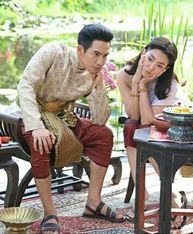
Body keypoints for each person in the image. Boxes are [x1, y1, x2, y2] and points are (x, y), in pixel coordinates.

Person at [6, 23, 125, 233]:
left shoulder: (93, 74)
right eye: (96, 54)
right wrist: (36, 127)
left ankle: (93, 203)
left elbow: (99, 120)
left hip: (63, 117)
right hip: (28, 113)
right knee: (40, 142)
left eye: (105, 56)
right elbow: (26, 86)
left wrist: (98, 88)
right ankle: (50, 213)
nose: (101, 62)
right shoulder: (53, 52)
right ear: (80, 50)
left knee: (104, 135)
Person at [116, 36, 191, 229]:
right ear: (143, 53)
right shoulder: (123, 75)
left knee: (138, 128)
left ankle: (172, 195)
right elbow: (133, 114)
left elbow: (150, 120)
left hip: (176, 128)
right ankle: (142, 191)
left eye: (159, 65)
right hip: (143, 128)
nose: (151, 68)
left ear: (165, 69)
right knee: (131, 127)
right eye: (149, 59)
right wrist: (135, 83)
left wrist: (142, 86)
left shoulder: (168, 85)